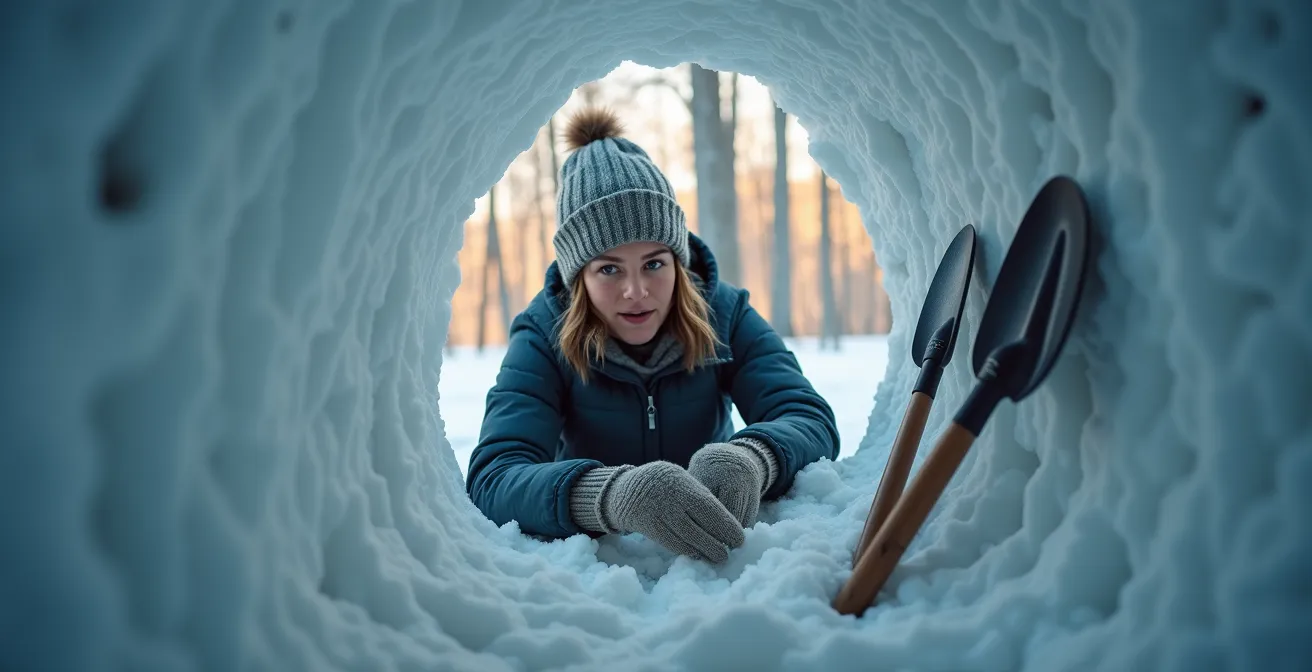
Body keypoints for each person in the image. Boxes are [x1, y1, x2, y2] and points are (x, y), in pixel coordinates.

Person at [465, 107, 839, 564]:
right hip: (601, 576)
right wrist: (611, 495)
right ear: (578, 276)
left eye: (654, 264)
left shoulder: (726, 313)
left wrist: (751, 459)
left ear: (678, 261)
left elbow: (807, 418)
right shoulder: (543, 333)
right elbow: (495, 477)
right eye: (609, 269)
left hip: (719, 566)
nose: (637, 291)